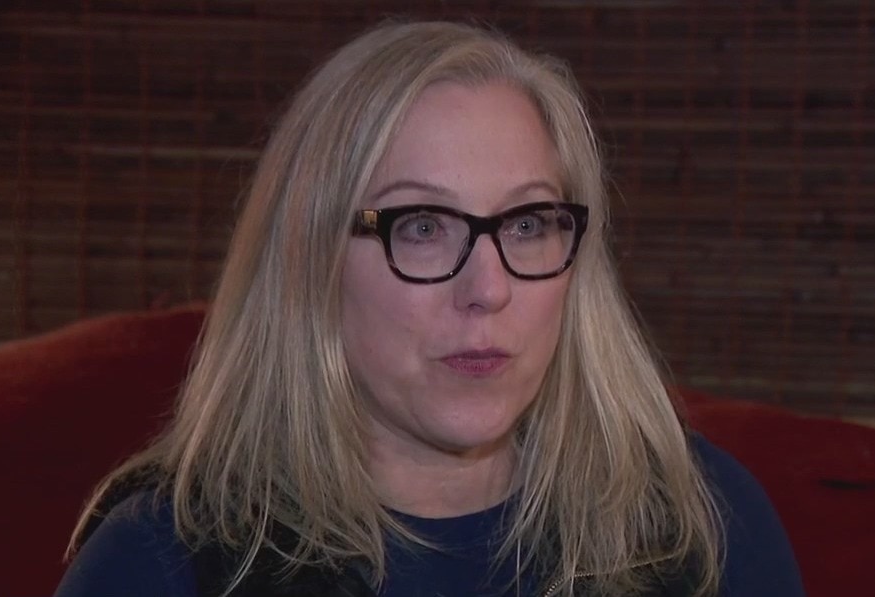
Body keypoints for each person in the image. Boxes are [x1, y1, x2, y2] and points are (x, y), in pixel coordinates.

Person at [54, 20, 804, 597]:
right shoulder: (160, 562)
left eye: (525, 224)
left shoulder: (702, 522)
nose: (488, 288)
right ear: (311, 261)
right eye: (421, 226)